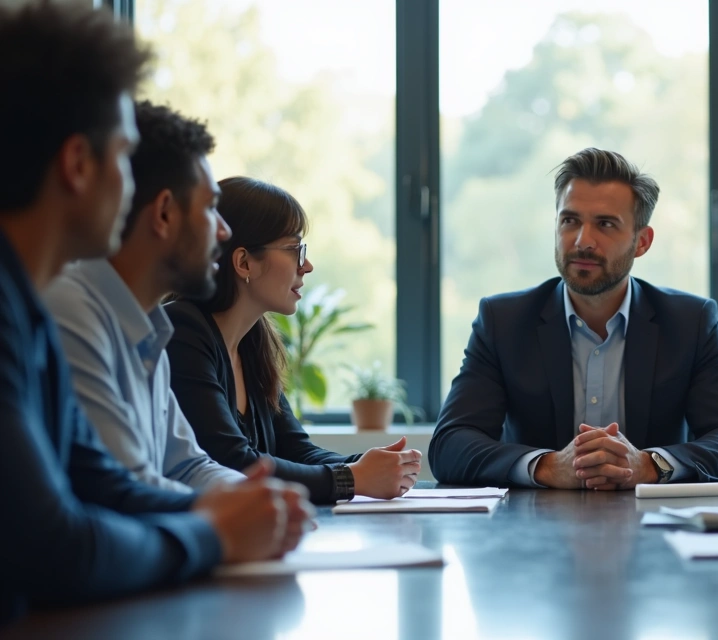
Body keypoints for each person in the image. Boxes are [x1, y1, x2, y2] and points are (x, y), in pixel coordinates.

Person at [0, 2, 309, 624]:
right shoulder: (36, 310)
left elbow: (104, 486)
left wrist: (245, 513)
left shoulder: (26, 311)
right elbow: (56, 545)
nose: (133, 183)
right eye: (123, 156)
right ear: (78, 166)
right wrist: (216, 535)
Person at [429, 147, 718, 489]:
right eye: (570, 221)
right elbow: (450, 446)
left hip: (656, 529)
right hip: (535, 530)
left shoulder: (691, 323)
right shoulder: (504, 322)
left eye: (605, 224)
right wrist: (546, 466)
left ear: (642, 242)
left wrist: (649, 464)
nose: (583, 241)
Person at [166, 176, 422, 503]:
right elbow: (232, 463)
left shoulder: (254, 341)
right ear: (244, 262)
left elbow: (296, 449)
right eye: (294, 250)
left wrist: (370, 467)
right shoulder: (182, 331)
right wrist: (352, 478)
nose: (308, 266)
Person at [43, 101, 246, 492]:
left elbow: (188, 466)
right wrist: (233, 513)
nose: (223, 231)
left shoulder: (150, 329)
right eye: (211, 208)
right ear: (165, 214)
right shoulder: (71, 310)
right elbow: (128, 487)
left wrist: (254, 497)